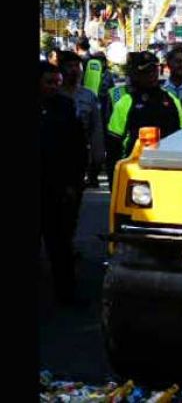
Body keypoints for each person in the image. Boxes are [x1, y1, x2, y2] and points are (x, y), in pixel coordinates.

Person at [39, 61, 88, 305]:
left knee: (60, 244)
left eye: (56, 83)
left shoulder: (65, 106)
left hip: (57, 187)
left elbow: (77, 147)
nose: (53, 87)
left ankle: (66, 293)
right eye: (48, 82)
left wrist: (75, 182)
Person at [106, 51, 182, 186]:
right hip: (136, 173)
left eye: (154, 70)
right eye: (146, 71)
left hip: (168, 172)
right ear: (135, 74)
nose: (151, 74)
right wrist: (114, 181)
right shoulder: (126, 102)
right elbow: (113, 146)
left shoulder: (172, 100)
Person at [57, 51, 104, 191]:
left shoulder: (88, 96)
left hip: (79, 156)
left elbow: (96, 130)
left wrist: (98, 158)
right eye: (69, 66)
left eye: (77, 66)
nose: (74, 70)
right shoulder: (53, 93)